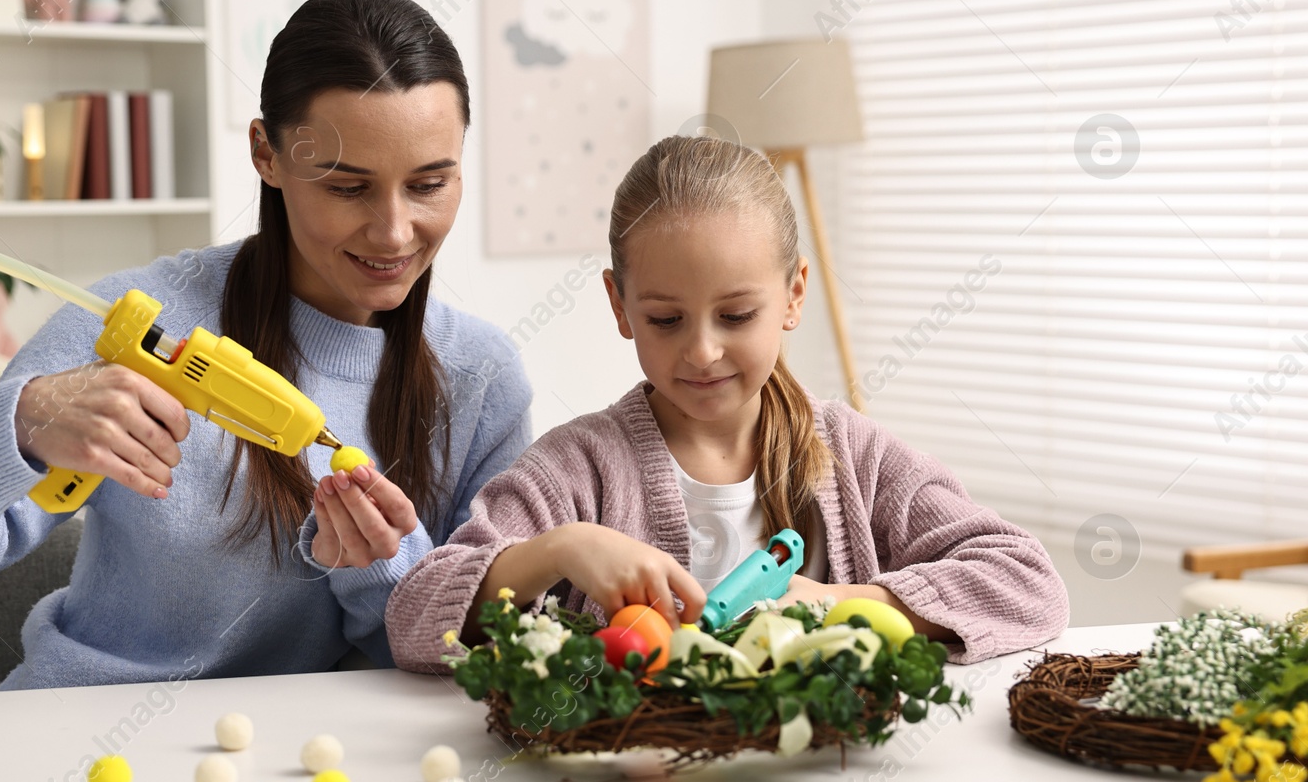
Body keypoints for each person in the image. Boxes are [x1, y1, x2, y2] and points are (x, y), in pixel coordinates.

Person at [0, 0, 532, 689]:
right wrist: (19, 424)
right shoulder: (136, 328)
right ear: (266, 154)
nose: (394, 232)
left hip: (312, 770)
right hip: (84, 748)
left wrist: (381, 566)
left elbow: (475, 669)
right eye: (347, 187)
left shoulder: (481, 378)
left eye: (428, 184)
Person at [386, 135, 1069, 671]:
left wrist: (840, 603)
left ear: (795, 294)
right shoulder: (577, 468)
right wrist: (563, 548)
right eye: (666, 319)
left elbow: (1029, 582)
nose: (703, 351)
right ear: (620, 305)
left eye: (737, 314)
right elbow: (414, 618)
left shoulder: (855, 456)